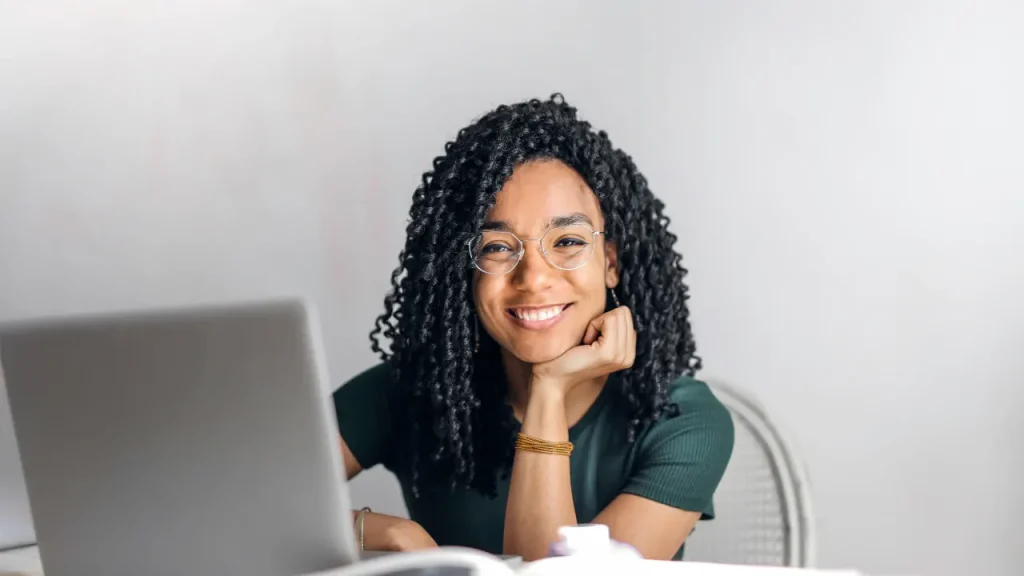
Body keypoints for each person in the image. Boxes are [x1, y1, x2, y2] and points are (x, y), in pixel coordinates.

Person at [333, 94, 734, 562]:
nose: (535, 277)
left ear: (611, 262)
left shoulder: (682, 421)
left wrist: (549, 388)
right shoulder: (409, 391)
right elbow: (240, 501)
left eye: (566, 241)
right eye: (498, 248)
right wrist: (392, 535)